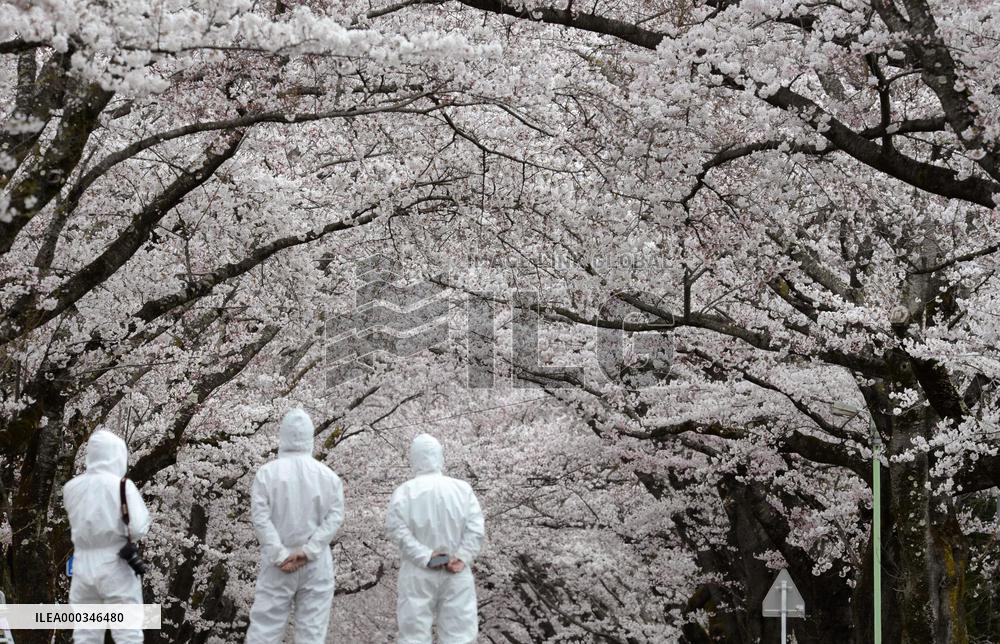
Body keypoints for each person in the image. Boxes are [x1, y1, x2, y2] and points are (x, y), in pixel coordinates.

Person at [245, 407, 346, 644]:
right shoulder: (328, 477)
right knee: (312, 634)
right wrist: (309, 551)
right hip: (316, 563)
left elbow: (260, 518)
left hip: (278, 564)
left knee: (264, 631)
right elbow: (335, 517)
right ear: (311, 437)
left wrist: (280, 555)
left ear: (282, 435)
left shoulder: (266, 474)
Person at [386, 433, 485, 644]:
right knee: (460, 635)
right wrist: (462, 556)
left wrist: (426, 556)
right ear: (440, 456)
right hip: (456, 570)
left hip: (418, 571)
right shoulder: (462, 489)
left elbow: (397, 530)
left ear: (414, 458)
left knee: (413, 636)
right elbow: (476, 529)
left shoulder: (404, 492)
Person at [64, 429, 151, 644]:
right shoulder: (122, 486)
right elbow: (138, 527)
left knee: (86, 632)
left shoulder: (71, 488)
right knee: (127, 631)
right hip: (116, 561)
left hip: (83, 563)